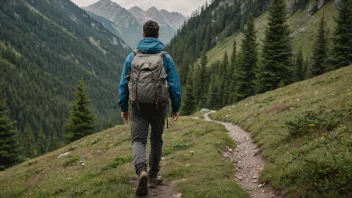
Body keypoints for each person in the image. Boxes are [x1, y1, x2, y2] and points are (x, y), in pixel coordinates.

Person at [118, 20, 182, 196]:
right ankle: (153, 176)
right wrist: (175, 108)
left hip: (137, 106)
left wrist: (123, 107)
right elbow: (174, 86)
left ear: (143, 34)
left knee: (138, 140)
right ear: (158, 35)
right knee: (156, 139)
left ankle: (141, 171)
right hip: (159, 106)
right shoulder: (165, 58)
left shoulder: (132, 57)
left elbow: (124, 84)